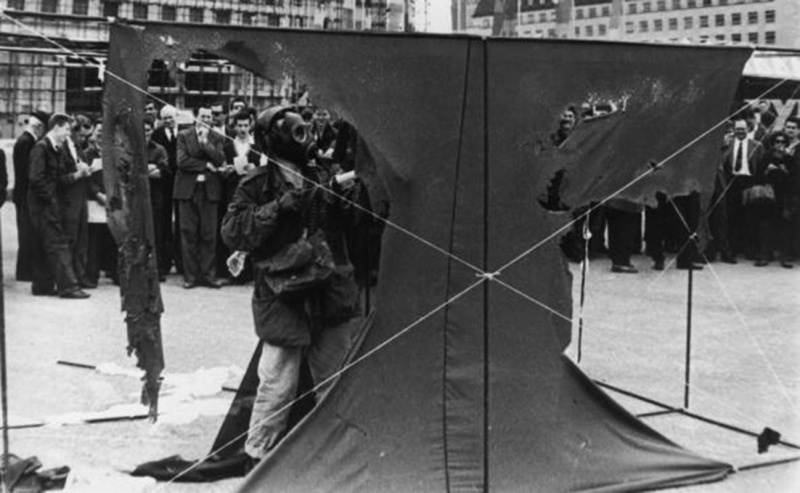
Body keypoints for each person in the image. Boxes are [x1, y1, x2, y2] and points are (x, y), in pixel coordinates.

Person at [221, 106, 363, 460]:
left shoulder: (328, 175)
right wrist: (280, 206)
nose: (304, 138)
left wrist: (350, 201)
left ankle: (334, 460)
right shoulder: (257, 184)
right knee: (277, 386)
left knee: (334, 382)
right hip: (284, 294)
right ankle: (257, 461)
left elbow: (361, 228)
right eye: (295, 132)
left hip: (329, 288)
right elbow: (234, 231)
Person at [27, 113, 90, 299]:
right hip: (43, 206)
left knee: (45, 244)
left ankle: (42, 285)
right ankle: (69, 287)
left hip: (45, 204)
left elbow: (56, 179)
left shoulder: (52, 148)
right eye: (67, 129)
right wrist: (51, 200)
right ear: (56, 127)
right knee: (58, 244)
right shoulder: (41, 148)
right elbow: (36, 179)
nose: (68, 134)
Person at [174, 104, 226, 289]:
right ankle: (190, 276)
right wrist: (206, 165)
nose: (206, 120)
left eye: (209, 117)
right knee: (188, 233)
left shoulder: (217, 137)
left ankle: (208, 275)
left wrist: (206, 144)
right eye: (203, 116)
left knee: (208, 234)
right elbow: (181, 161)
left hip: (209, 191)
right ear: (196, 117)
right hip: (188, 189)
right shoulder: (183, 135)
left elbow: (220, 159)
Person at [218, 110, 263, 282]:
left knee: (250, 228)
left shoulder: (257, 146)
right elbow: (222, 168)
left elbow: (263, 168)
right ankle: (232, 272)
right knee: (233, 228)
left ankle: (249, 272)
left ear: (250, 125)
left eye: (246, 125)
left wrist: (255, 169)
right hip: (232, 192)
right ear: (234, 126)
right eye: (239, 125)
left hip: (251, 194)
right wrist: (228, 169)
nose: (243, 129)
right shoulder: (228, 146)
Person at [12, 110, 48, 282]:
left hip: (22, 194)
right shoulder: (27, 142)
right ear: (39, 127)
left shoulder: (25, 140)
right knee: (26, 233)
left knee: (27, 232)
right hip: (25, 195)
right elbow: (27, 172)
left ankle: (25, 270)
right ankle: (25, 272)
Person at [59, 114, 94, 289]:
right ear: (72, 131)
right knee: (70, 239)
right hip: (69, 200)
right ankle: (69, 279)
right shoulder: (62, 148)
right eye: (81, 135)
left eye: (86, 137)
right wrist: (78, 174)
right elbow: (58, 178)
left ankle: (80, 275)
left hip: (81, 199)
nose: (83, 140)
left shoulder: (77, 147)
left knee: (82, 239)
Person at [721, 117, 763, 260]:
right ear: (733, 130)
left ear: (748, 129)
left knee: (750, 217)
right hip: (732, 182)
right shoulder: (728, 145)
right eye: (737, 129)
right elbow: (723, 163)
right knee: (732, 217)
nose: (740, 131)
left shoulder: (756, 145)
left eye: (743, 129)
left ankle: (749, 249)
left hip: (749, 181)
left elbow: (761, 167)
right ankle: (733, 249)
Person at [750, 132, 793, 268]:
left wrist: (784, 171)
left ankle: (784, 256)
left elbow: (794, 180)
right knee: (765, 225)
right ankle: (765, 254)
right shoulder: (766, 158)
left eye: (782, 142)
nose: (779, 145)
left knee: (783, 227)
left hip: (783, 197)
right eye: (777, 142)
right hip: (767, 197)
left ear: (786, 144)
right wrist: (767, 172)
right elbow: (757, 178)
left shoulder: (789, 159)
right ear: (772, 144)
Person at [84, 121, 118, 285]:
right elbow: (87, 180)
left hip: (113, 200)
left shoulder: (115, 153)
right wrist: (99, 195)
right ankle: (92, 275)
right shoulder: (87, 154)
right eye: (98, 131)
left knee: (113, 239)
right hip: (95, 202)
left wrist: (113, 196)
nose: (100, 134)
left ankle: (115, 272)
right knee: (94, 241)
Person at [151, 104, 179, 275]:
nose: (169, 121)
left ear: (177, 117)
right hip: (163, 185)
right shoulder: (156, 136)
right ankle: (164, 261)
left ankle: (179, 260)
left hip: (181, 183)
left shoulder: (183, 134)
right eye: (165, 118)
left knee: (181, 222)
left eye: (171, 117)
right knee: (164, 222)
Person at [144, 115, 171, 280]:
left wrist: (145, 170)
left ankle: (157, 270)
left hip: (156, 197)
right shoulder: (130, 148)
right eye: (142, 131)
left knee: (156, 233)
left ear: (152, 131)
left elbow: (164, 172)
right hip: (137, 198)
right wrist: (151, 169)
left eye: (147, 130)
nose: (144, 134)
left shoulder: (159, 149)